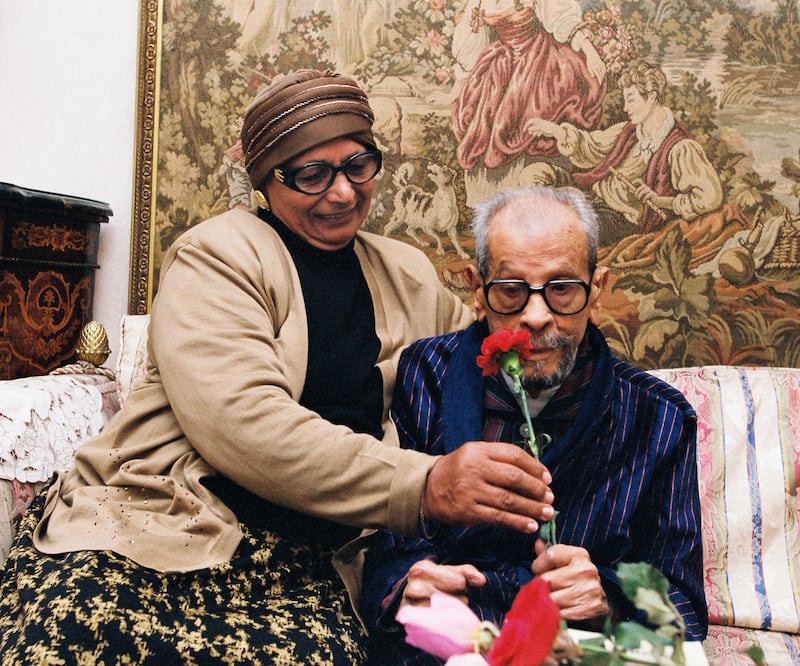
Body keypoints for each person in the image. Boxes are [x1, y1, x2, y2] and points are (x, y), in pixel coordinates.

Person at [0, 70, 557, 664]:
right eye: (312, 175)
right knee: (83, 636)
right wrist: (422, 485)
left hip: (313, 561)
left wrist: (547, 319)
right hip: (163, 525)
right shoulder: (215, 256)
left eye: (357, 166)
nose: (342, 193)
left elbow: (491, 363)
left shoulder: (406, 272)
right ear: (266, 181)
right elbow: (243, 423)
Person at [359, 185, 707, 664]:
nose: (536, 316)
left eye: (562, 288)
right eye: (510, 289)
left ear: (598, 291)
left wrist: (608, 597)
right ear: (477, 291)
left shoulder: (660, 416)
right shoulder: (426, 374)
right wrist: (405, 581)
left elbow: (684, 607)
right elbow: (378, 544)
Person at [526, 61, 723, 245]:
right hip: (593, 195)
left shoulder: (680, 148)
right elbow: (592, 146)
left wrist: (660, 200)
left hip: (617, 219)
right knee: (535, 173)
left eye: (631, 100)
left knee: (564, 211)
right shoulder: (628, 131)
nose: (625, 108)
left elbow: (709, 198)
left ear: (652, 96)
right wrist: (556, 131)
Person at [451, 0, 607, 171]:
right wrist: (457, 88)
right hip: (502, 60)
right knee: (481, 109)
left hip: (539, 59)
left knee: (535, 104)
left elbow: (561, 16)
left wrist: (590, 52)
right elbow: (471, 44)